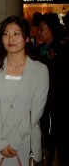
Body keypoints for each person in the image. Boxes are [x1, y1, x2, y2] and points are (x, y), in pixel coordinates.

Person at [0, 15, 49, 165]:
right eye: (6, 34)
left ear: (26, 38)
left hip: (26, 139)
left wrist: (14, 140)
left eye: (16, 34)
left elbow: (36, 111)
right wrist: (0, 143)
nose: (10, 39)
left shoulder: (40, 70)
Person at [34, 12, 69, 166]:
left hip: (57, 99)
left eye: (42, 29)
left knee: (57, 130)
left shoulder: (61, 48)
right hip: (42, 98)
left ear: (52, 29)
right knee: (45, 129)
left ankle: (57, 158)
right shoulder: (39, 49)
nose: (39, 33)